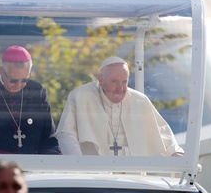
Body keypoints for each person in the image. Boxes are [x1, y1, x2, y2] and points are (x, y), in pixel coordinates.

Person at [55, 56, 184, 156]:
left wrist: (175, 151)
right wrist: (79, 165)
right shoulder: (80, 96)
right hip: (93, 175)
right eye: (114, 82)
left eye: (124, 82)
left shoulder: (139, 100)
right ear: (101, 80)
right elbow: (66, 134)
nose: (120, 88)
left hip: (131, 175)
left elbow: (161, 131)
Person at [0, 45, 60, 154]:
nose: (19, 85)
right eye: (13, 80)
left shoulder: (38, 91)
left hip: (33, 166)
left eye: (24, 80)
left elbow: (49, 137)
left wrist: (46, 165)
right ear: (0, 70)